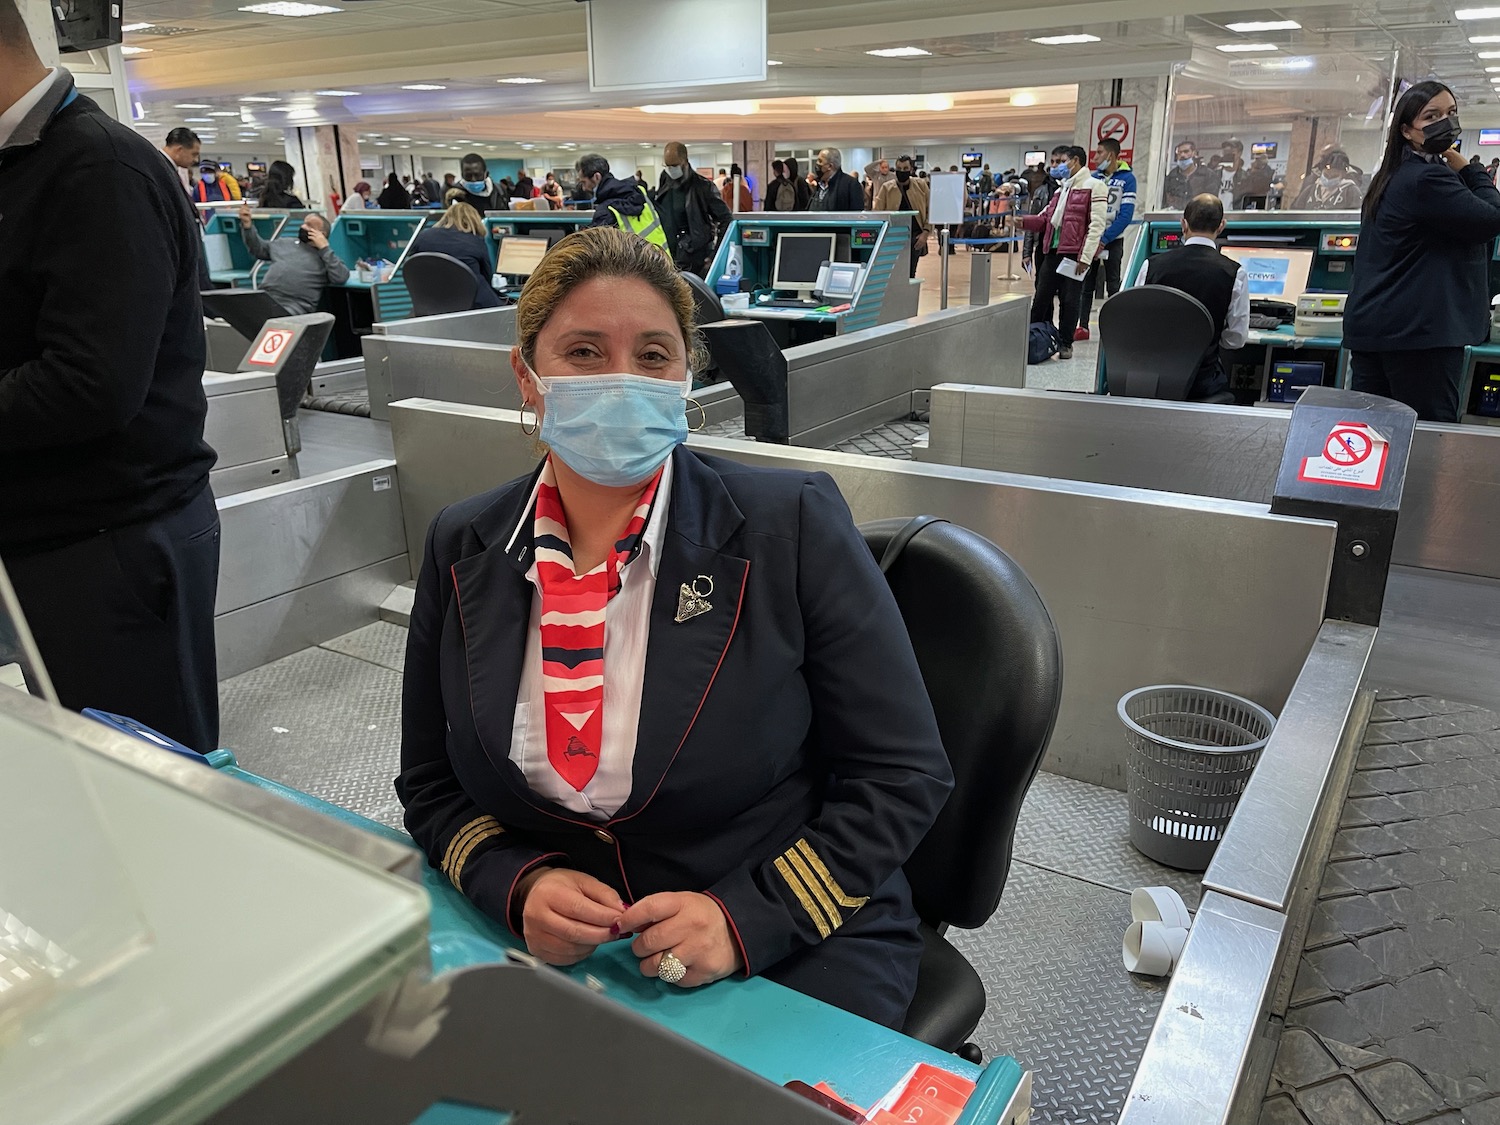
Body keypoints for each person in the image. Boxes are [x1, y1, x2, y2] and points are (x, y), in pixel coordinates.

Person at [395, 224, 952, 1028]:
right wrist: (514, 880)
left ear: (685, 375)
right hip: (551, 952)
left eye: (653, 355)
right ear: (527, 375)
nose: (622, 379)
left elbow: (903, 774)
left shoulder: (787, 527)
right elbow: (429, 782)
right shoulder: (463, 544)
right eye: (584, 352)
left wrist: (747, 917)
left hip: (789, 942)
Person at [0, 3, 221, 751]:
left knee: (144, 772)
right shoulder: (23, 163)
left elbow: (89, 383)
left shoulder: (98, 168)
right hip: (51, 535)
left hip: (111, 545)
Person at [1344, 80, 1500, 422]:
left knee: (1372, 439)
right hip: (1418, 338)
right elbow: (1491, 219)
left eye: (1451, 112)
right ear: (1406, 130)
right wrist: (1472, 169)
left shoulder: (1391, 176)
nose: (1446, 121)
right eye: (1432, 115)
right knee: (1425, 440)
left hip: (1380, 331)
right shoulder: (1427, 179)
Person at [1131, 194, 1248, 402]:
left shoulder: (1151, 266)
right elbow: (1235, 340)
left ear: (1183, 225)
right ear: (1221, 226)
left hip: (1151, 379)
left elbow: (1137, 323)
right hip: (1202, 384)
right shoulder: (1234, 273)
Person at [1012, 144, 1106, 360]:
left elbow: (1097, 225)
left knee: (1070, 300)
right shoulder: (1061, 190)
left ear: (1075, 161)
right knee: (1041, 298)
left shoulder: (1094, 187)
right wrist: (1023, 221)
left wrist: (1086, 257)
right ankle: (1033, 338)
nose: (1058, 166)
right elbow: (1046, 219)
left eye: (1063, 161)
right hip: (1052, 252)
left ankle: (1065, 343)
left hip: (1074, 255)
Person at [1076, 136, 1137, 342]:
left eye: (1099, 152)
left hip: (1113, 238)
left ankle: (1116, 327)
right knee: (1087, 285)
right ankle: (1082, 326)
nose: (1095, 157)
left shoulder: (1128, 179)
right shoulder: (1093, 178)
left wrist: (1106, 237)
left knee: (1113, 284)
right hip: (1092, 238)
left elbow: (1126, 214)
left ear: (1110, 155)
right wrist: (1093, 237)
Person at [237, 205, 349, 315]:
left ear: (321, 234)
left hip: (293, 305)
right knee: (238, 311)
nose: (303, 227)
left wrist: (324, 248)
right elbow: (257, 249)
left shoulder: (326, 257)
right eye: (304, 223)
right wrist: (247, 226)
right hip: (266, 296)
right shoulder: (285, 243)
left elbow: (341, 277)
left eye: (310, 225)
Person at [654, 141, 733, 276]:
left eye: (675, 165)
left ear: (685, 161)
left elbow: (726, 219)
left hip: (695, 257)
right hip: (668, 254)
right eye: (668, 166)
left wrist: (715, 255)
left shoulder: (702, 187)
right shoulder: (665, 182)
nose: (671, 169)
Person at [407, 201, 500, 311]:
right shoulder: (475, 242)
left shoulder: (423, 237)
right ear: (475, 220)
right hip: (474, 306)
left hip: (430, 306)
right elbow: (488, 276)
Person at [578, 152, 667, 248]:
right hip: (660, 256)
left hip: (635, 262)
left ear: (597, 177)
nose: (584, 188)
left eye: (584, 182)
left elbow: (593, 247)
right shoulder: (640, 191)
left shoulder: (606, 209)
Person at [872, 155, 933, 278]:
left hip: (916, 237)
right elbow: (877, 213)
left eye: (905, 168)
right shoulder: (887, 188)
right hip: (892, 237)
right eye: (899, 168)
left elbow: (930, 210)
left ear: (911, 169)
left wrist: (925, 233)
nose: (902, 171)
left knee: (910, 274)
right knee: (892, 275)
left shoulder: (921, 186)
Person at [1291, 150, 1362, 211]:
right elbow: (1294, 214)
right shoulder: (1310, 190)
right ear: (1321, 172)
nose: (1328, 179)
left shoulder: (1351, 192)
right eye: (1326, 175)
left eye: (1334, 176)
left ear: (1343, 175)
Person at [1163, 141, 1218, 209]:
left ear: (1194, 153)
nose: (1182, 155)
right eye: (1179, 152)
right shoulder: (1172, 176)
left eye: (1186, 151)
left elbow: (1212, 201)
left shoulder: (1208, 175)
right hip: (1176, 216)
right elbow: (1167, 199)